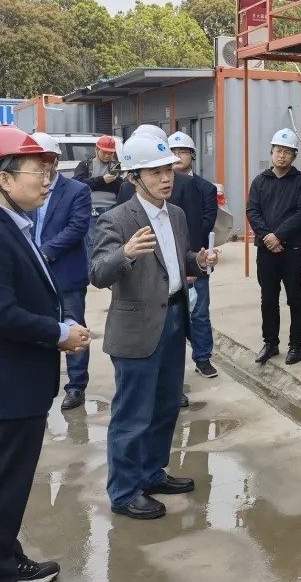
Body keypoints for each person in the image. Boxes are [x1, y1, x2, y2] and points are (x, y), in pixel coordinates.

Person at [0, 126, 92, 581]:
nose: (47, 181)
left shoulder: (9, 223)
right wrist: (59, 334)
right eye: (38, 171)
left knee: (7, 488)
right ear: (4, 179)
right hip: (4, 386)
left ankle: (5, 558)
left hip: (14, 384)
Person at [89, 134, 218, 521]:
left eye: (168, 171)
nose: (166, 178)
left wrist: (199, 261)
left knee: (165, 406)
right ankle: (124, 491)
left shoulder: (175, 214)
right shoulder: (116, 219)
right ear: (133, 177)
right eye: (155, 172)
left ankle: (151, 472)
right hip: (138, 327)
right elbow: (98, 273)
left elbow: (177, 262)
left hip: (174, 318)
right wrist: (125, 254)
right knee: (132, 414)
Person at [31, 133, 95, 412]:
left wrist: (43, 252)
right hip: (33, 274)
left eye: (46, 158)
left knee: (73, 328)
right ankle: (41, 382)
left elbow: (77, 227)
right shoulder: (24, 190)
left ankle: (76, 385)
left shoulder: (77, 191)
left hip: (65, 273)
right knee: (39, 328)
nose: (42, 164)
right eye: (36, 159)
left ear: (56, 160)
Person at [246, 128, 301, 365]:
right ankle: (270, 343)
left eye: (287, 152)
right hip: (266, 251)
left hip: (291, 251)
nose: (282, 155)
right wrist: (267, 237)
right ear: (271, 152)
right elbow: (252, 210)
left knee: (295, 297)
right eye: (278, 151)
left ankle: (296, 345)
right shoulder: (260, 181)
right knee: (268, 299)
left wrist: (279, 236)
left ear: (294, 155)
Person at [168, 131, 220, 380]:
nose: (178, 156)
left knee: (199, 312)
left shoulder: (205, 188)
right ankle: (173, 367)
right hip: (166, 259)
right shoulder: (162, 186)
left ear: (193, 155)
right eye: (173, 152)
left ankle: (202, 357)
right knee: (171, 315)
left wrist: (192, 262)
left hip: (195, 258)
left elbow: (206, 223)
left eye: (183, 152)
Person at [72, 135, 121, 259]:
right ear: (96, 149)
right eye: (104, 152)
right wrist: (102, 181)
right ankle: (92, 269)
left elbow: (120, 186)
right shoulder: (85, 165)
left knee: (112, 241)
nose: (107, 156)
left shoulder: (116, 166)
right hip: (92, 208)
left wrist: (96, 184)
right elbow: (78, 183)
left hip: (113, 207)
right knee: (93, 242)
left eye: (110, 153)